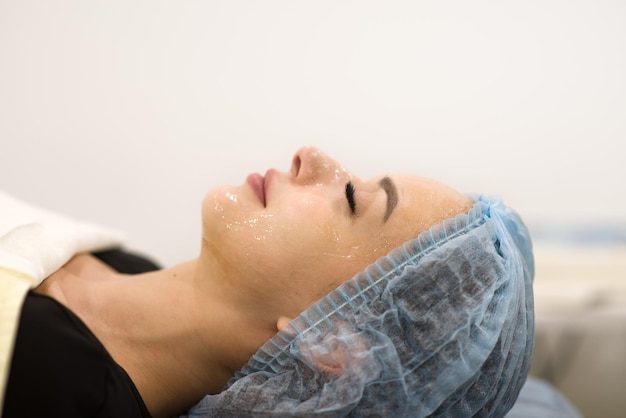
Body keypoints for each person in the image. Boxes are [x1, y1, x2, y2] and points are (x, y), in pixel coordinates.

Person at [0, 146, 534, 418]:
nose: (311, 156)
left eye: (351, 200)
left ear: (331, 349)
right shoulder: (128, 263)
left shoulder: (51, 383)